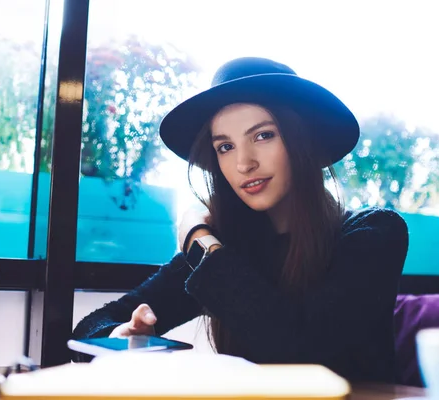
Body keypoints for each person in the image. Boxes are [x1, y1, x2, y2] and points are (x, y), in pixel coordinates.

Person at [72, 57, 409, 384]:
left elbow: (305, 357)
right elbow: (92, 325)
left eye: (263, 136)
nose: (243, 164)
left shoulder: (374, 233)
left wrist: (197, 238)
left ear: (301, 141)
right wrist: (119, 339)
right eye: (225, 147)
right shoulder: (228, 251)